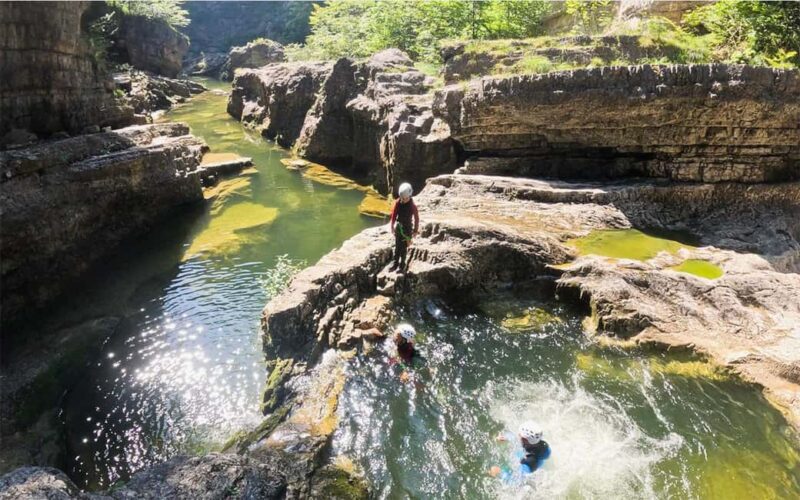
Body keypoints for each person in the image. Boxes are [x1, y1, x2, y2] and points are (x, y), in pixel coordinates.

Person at [389, 182, 419, 271]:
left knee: (403, 248)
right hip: (399, 227)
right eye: (402, 198)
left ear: (409, 196)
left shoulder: (412, 206)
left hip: (407, 228)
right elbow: (394, 214)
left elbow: (416, 218)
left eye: (406, 198)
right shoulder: (398, 202)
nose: (404, 200)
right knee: (397, 246)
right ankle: (395, 264)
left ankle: (402, 265)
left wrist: (415, 230)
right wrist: (392, 225)